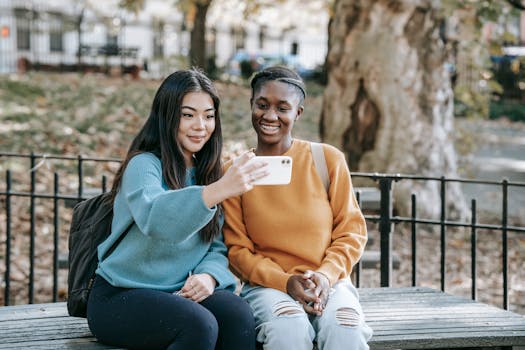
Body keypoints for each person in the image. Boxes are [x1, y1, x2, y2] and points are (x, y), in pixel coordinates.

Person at [87, 68, 267, 350]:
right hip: (120, 295)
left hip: (179, 292)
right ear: (167, 116)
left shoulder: (208, 173)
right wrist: (218, 190)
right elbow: (157, 221)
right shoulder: (144, 165)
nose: (200, 125)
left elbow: (216, 246)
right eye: (188, 115)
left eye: (208, 116)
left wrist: (209, 277)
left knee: (237, 313)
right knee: (199, 324)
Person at [222, 66, 373, 350]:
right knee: (288, 329)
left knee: (345, 330)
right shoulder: (235, 173)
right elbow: (237, 251)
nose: (270, 116)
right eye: (262, 105)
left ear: (298, 113)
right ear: (251, 106)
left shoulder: (327, 160)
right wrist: (285, 281)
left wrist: (326, 276)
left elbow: (351, 232)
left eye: (282, 108)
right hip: (268, 287)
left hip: (330, 283)